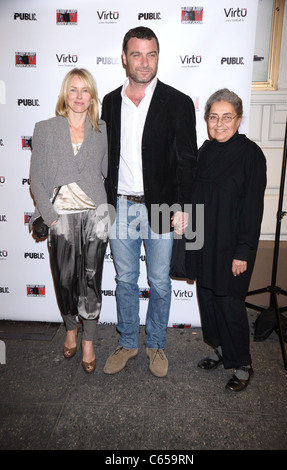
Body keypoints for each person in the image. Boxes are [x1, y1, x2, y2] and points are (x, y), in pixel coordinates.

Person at [101, 26, 197, 377]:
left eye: (151, 54)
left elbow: (188, 161)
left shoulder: (178, 102)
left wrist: (184, 207)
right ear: (124, 57)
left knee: (159, 281)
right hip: (120, 206)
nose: (144, 62)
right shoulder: (111, 101)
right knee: (125, 279)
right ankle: (128, 343)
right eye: (137, 54)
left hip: (161, 208)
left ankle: (155, 344)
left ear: (158, 56)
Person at [186, 88, 267, 392]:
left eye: (227, 117)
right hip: (203, 241)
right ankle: (220, 349)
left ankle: (243, 362)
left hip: (231, 246)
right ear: (206, 119)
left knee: (230, 303)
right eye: (213, 117)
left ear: (239, 118)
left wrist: (243, 252)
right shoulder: (205, 150)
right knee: (207, 299)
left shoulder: (251, 156)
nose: (219, 124)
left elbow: (252, 210)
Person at [29, 68, 109, 374]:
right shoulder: (46, 129)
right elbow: (37, 180)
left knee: (92, 278)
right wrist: (49, 219)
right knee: (64, 281)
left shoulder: (101, 129)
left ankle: (88, 340)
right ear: (65, 94)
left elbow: (104, 172)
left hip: (96, 215)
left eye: (85, 90)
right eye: (73, 90)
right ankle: (70, 329)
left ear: (92, 97)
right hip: (60, 217)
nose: (78, 96)